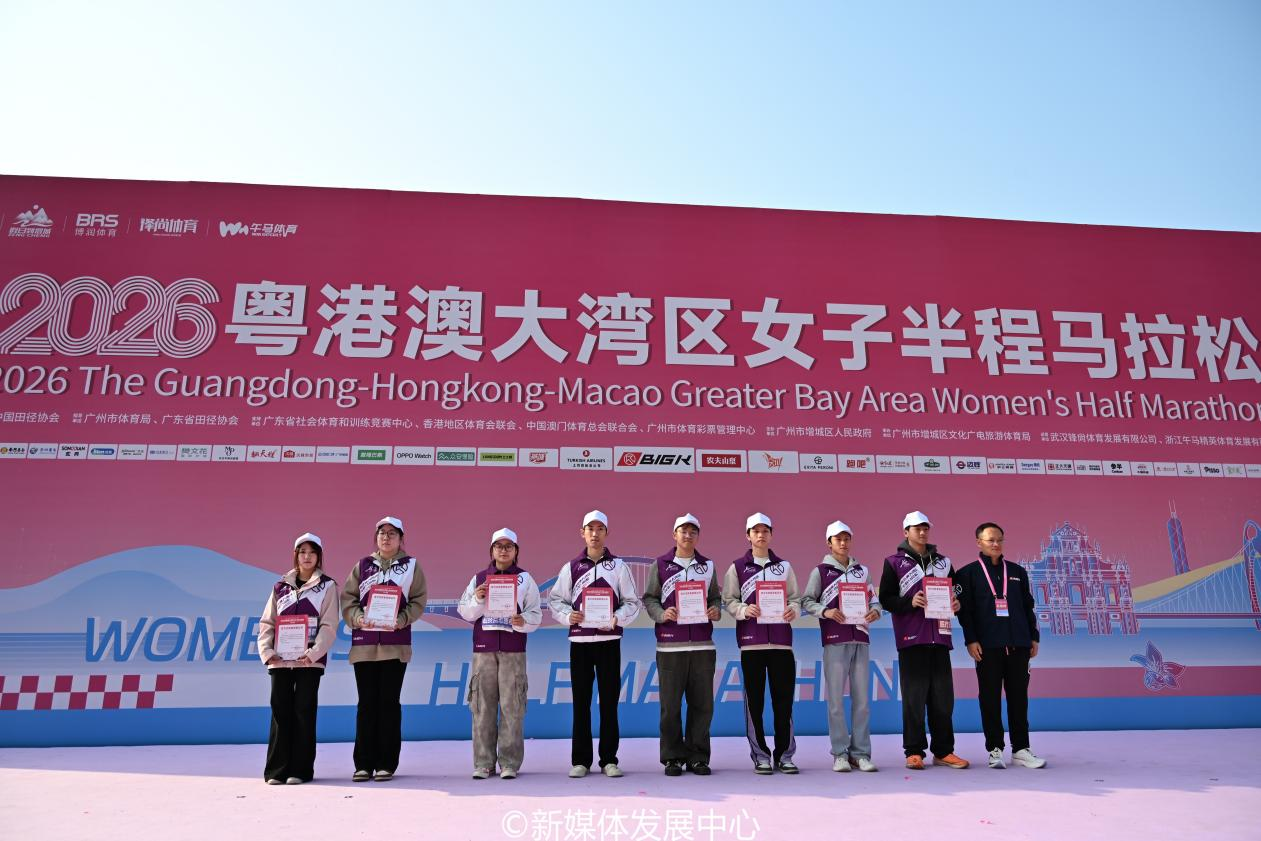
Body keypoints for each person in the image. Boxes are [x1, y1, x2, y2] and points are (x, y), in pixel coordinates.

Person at [547, 509, 642, 779]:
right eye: (590, 528)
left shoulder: (619, 567)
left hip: (609, 641)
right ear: (582, 533)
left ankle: (609, 759)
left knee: (609, 702)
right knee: (581, 703)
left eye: (600, 529)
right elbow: (555, 600)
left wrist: (617, 618)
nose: (595, 534)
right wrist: (569, 616)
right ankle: (581, 760)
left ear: (607, 533)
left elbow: (632, 602)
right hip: (580, 641)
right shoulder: (571, 567)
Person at [878, 511, 969, 770]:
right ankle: (914, 751)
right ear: (905, 532)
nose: (922, 532)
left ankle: (944, 751)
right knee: (914, 699)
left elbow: (957, 591)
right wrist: (910, 602)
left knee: (943, 699)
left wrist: (957, 603)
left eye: (925, 528)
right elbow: (886, 599)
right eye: (916, 528)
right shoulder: (893, 562)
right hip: (911, 639)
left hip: (940, 637)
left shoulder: (943, 562)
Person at [340, 515, 428, 782]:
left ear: (401, 538)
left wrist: (402, 619)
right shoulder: (362, 566)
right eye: (382, 533)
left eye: (392, 533)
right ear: (376, 537)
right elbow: (348, 599)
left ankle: (386, 763)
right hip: (364, 646)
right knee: (366, 704)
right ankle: (363, 764)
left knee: (389, 703)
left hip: (395, 645)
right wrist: (357, 618)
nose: (386, 537)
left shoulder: (411, 566)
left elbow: (418, 600)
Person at [957, 522, 1047, 769]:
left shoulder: (1017, 572)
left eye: (999, 539)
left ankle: (1021, 749)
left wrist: (1033, 637)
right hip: (987, 647)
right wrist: (971, 640)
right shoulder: (967, 574)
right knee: (989, 699)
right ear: (979, 542)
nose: (995, 544)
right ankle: (995, 749)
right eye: (990, 540)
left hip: (1019, 645)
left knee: (1019, 698)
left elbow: (1028, 607)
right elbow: (965, 613)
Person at [457, 527, 542, 779]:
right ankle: (483, 762)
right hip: (484, 650)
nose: (503, 551)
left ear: (516, 551)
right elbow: (465, 611)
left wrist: (522, 620)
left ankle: (509, 763)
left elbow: (535, 614)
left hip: (513, 650)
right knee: (482, 707)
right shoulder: (479, 578)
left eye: (508, 547)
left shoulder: (525, 579)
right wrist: (478, 599)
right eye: (498, 546)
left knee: (512, 706)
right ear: (491, 550)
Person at [641, 513, 722, 776]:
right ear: (674, 535)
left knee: (702, 705)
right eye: (683, 531)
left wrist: (715, 610)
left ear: (698, 536)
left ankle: (698, 756)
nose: (688, 535)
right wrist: (662, 614)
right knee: (670, 706)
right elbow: (650, 598)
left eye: (692, 531)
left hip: (702, 645)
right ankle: (672, 757)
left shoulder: (707, 565)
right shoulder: (661, 565)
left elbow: (715, 598)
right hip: (670, 646)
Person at [722, 512, 802, 774]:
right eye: (755, 531)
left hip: (781, 644)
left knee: (783, 703)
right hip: (751, 645)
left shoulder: (784, 567)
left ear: (771, 534)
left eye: (765, 531)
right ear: (748, 536)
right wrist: (745, 610)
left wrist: (792, 610)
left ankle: (785, 755)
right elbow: (729, 600)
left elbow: (795, 599)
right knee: (754, 704)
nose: (760, 535)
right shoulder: (737, 567)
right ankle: (760, 755)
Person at [257, 532, 339, 785]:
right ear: (295, 555)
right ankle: (276, 770)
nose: (307, 557)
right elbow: (267, 622)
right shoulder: (280, 587)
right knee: (280, 710)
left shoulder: (328, 586)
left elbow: (329, 625)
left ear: (319, 556)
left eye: (312, 552)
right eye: (302, 552)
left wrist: (313, 653)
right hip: (280, 661)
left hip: (308, 661)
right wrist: (267, 652)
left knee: (304, 710)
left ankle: (301, 770)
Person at [801, 520, 881, 773]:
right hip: (835, 640)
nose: (843, 543)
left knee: (862, 701)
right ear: (829, 543)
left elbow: (874, 601)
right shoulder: (820, 572)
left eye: (846, 538)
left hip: (861, 639)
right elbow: (806, 601)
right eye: (838, 539)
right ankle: (839, 753)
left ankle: (861, 753)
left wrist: (875, 612)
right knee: (836, 701)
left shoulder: (863, 572)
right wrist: (826, 611)